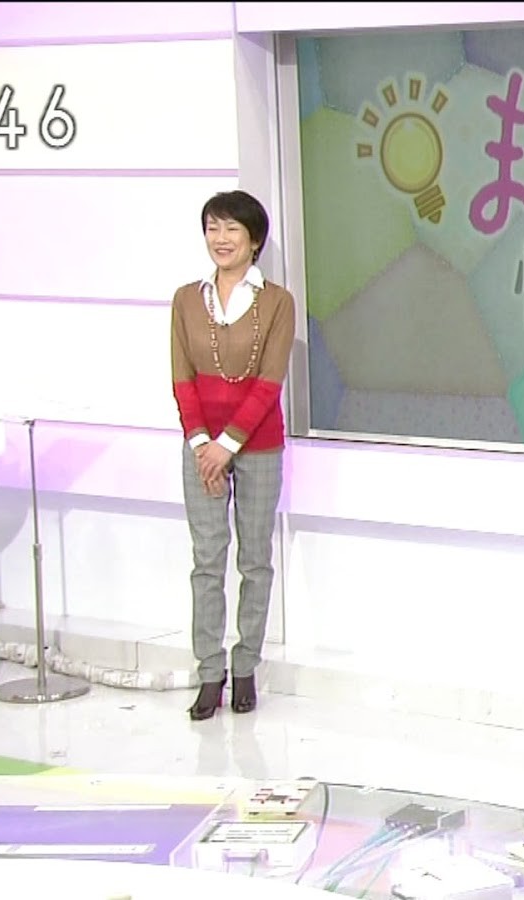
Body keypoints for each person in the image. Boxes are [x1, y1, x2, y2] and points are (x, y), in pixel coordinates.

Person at [170, 190, 297, 721]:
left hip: (257, 445)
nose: (220, 239)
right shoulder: (186, 299)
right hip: (201, 449)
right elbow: (182, 377)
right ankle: (209, 672)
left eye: (231, 230)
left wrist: (228, 445)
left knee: (254, 560)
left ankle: (245, 667)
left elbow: (269, 382)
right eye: (212, 228)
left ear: (255, 240)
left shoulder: (277, 302)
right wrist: (203, 443)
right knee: (207, 560)